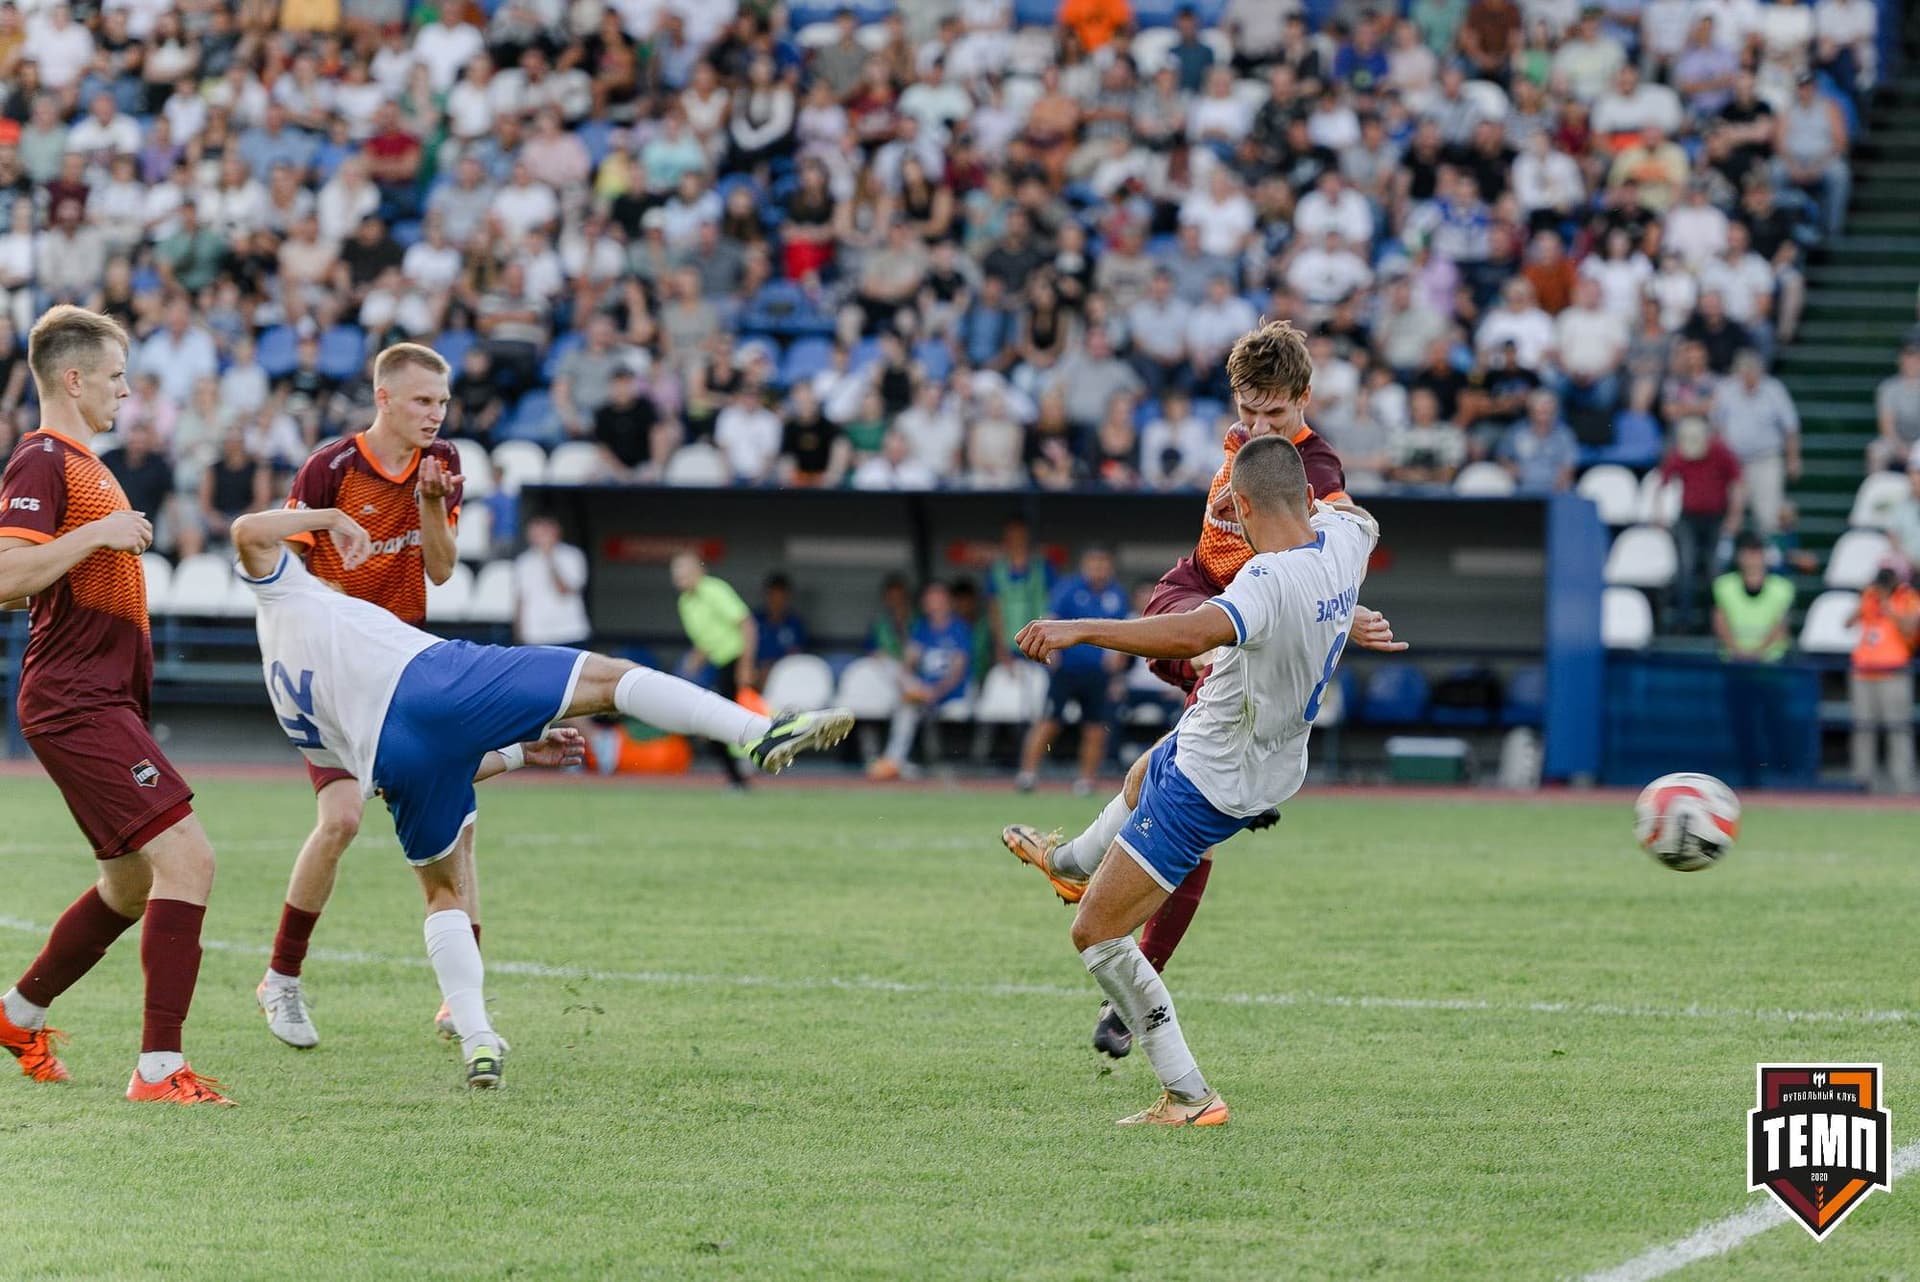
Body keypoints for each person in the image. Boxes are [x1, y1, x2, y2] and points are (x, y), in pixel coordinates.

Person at [230, 505, 852, 1088]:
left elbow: (433, 762)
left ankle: (478, 1038)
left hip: (395, 754)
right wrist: (333, 516)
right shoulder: (287, 591)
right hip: (433, 680)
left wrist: (524, 753)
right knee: (607, 680)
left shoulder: (293, 702)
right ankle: (757, 732)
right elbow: (248, 530)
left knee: (441, 891)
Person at [1004, 319, 1403, 1058]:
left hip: (1233, 628)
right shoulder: (1245, 438)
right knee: (1183, 782)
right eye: (1247, 411)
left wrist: (1341, 612)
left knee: (1172, 784)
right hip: (1194, 594)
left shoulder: (1312, 470)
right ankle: (1091, 872)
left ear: (1304, 402)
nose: (1256, 427)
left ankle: (1102, 916)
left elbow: (1320, 558)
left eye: (1274, 415)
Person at [0, 305, 230, 1105]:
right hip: (76, 700)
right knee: (190, 859)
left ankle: (18, 1013)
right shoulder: (41, 461)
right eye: (116, 377)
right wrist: (97, 537)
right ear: (73, 378)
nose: (126, 392)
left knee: (131, 885)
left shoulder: (83, 463)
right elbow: (5, 577)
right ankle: (159, 1069)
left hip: (101, 699)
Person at [254, 343, 468, 1053]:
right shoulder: (332, 468)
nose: (434, 413)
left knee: (454, 818)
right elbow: (283, 563)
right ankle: (281, 978)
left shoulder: (445, 467)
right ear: (383, 399)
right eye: (421, 401)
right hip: (332, 666)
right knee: (342, 818)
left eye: (441, 402)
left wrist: (433, 505)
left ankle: (457, 993)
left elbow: (439, 569)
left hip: (405, 664)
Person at [1015, 548, 1129, 795]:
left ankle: (1086, 780)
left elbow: (1125, 630)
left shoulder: (1116, 595)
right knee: (1049, 721)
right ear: (1085, 565)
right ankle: (1027, 774)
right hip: (1067, 670)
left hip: (1098, 673)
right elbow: (1051, 619)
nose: (1098, 568)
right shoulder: (1069, 589)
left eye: (1103, 563)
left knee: (1095, 727)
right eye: (1094, 563)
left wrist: (1117, 664)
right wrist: (1052, 654)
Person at [1712, 533, 1796, 788]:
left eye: (1756, 553)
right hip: (1736, 667)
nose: (1752, 559)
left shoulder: (1782, 588)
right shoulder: (1724, 586)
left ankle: (1782, 777)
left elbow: (1782, 625)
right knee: (1742, 724)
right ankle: (1749, 779)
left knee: (1775, 722)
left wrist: (1758, 652)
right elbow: (1720, 620)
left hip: (1769, 667)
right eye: (1748, 553)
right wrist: (1738, 650)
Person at [867, 582, 974, 781]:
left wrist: (935, 692)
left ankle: (893, 761)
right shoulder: (922, 628)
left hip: (950, 694)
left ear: (947, 602)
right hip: (923, 692)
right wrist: (906, 682)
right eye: (930, 601)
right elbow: (909, 661)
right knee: (896, 679)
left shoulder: (958, 628)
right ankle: (895, 762)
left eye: (938, 600)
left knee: (909, 706)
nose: (934, 605)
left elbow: (957, 673)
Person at [670, 551, 759, 790]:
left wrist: (746, 665)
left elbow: (746, 624)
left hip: (735, 660)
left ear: (699, 571)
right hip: (717, 664)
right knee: (710, 723)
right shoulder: (684, 603)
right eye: (676, 572)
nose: (680, 577)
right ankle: (737, 776)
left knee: (723, 721)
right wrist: (692, 664)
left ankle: (743, 770)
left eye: (685, 571)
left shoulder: (714, 590)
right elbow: (706, 641)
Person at [1846, 565, 1918, 794]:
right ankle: (1862, 781)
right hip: (1864, 671)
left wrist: (1890, 609)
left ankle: (1902, 783)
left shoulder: (1908, 598)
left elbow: (1911, 628)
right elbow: (1848, 622)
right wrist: (1866, 600)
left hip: (1893, 673)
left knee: (1898, 729)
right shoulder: (1870, 596)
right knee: (1863, 729)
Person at [512, 515, 590, 648]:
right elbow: (521, 599)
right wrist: (518, 632)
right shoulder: (523, 561)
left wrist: (549, 558)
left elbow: (563, 590)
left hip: (569, 632)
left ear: (555, 531)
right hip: (536, 635)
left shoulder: (572, 555)